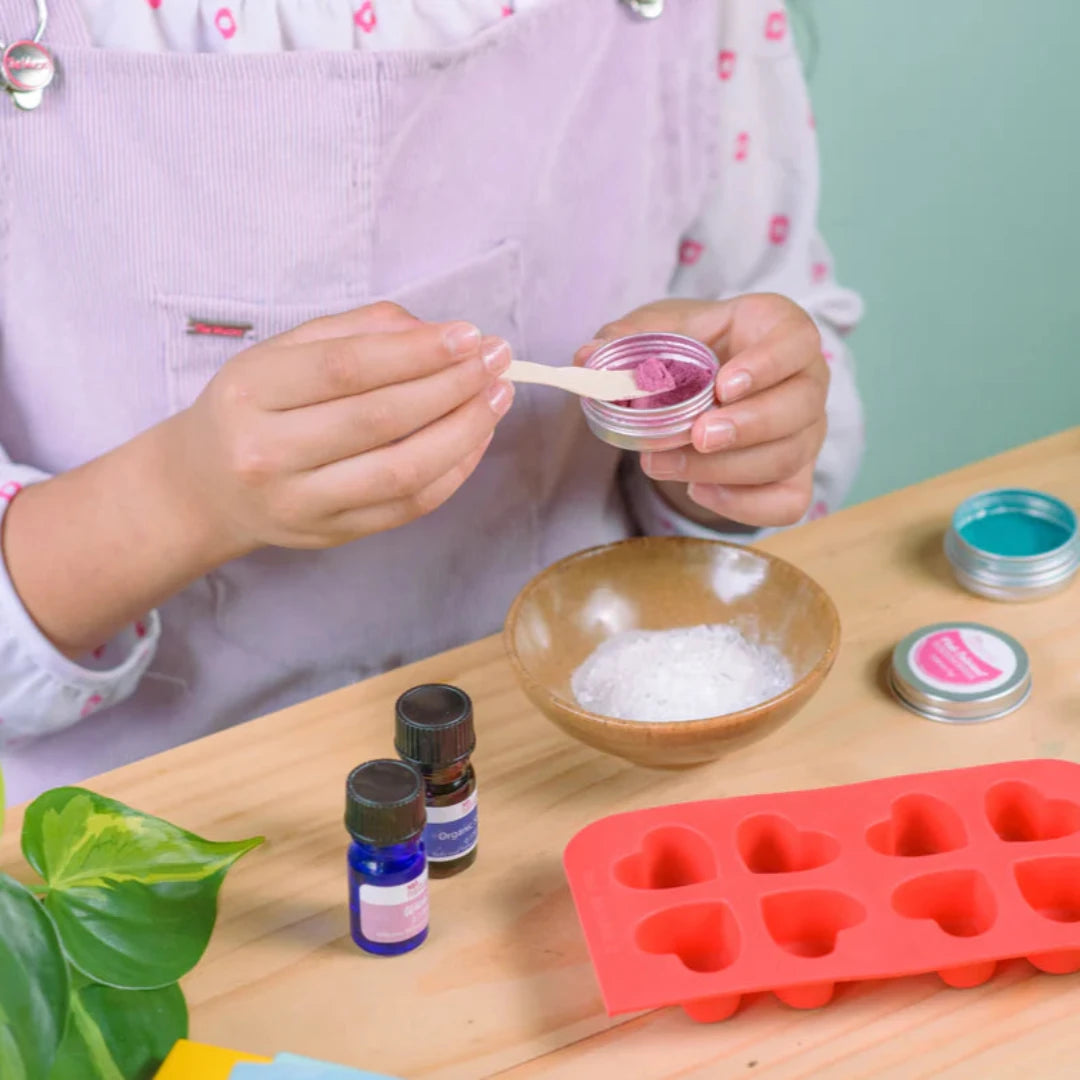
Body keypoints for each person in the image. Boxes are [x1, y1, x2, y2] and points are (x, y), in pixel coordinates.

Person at [0, 0, 863, 804]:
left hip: (578, 785)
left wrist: (713, 441)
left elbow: (765, 324)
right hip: (166, 844)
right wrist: (180, 496)